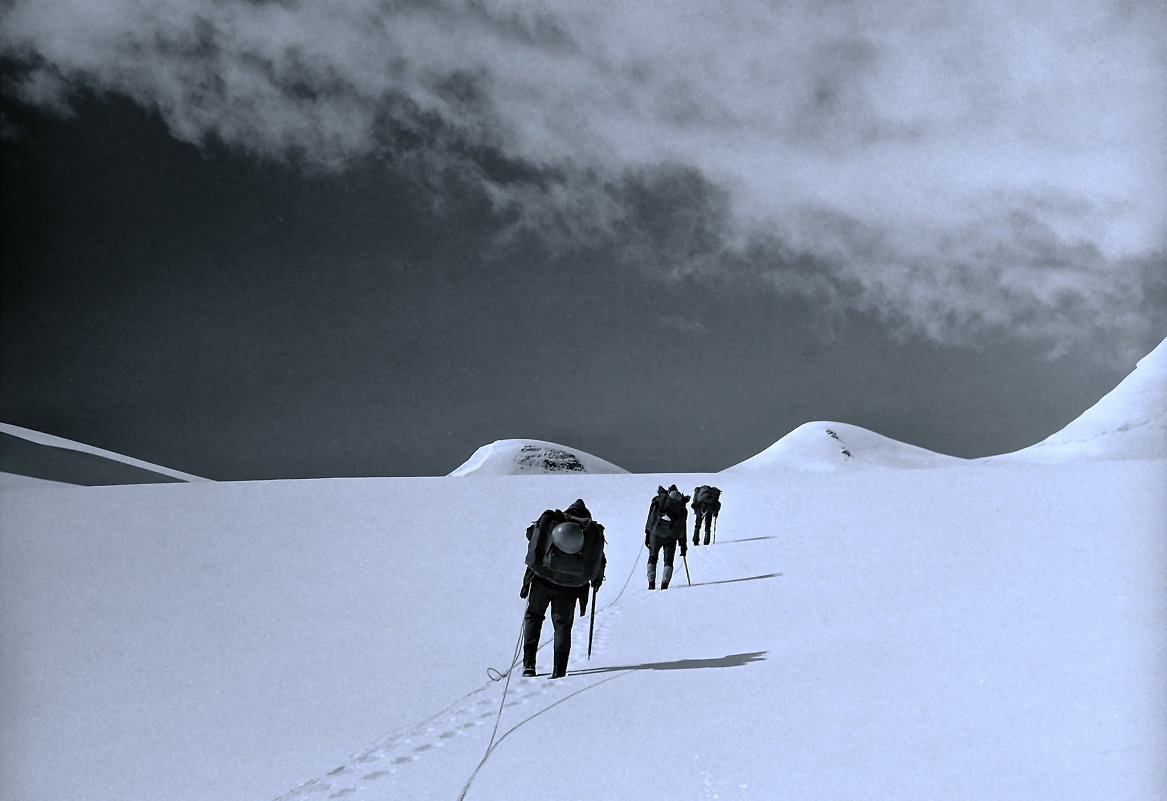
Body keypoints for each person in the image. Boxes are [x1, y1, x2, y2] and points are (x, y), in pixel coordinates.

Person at [520, 498, 606, 678]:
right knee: (563, 626)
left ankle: (528, 665)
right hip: (570, 587)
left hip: (542, 580)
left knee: (534, 618)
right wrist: (596, 582)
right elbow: (597, 560)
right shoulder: (590, 533)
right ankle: (559, 669)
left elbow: (531, 534)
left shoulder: (554, 522)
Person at [644, 484, 688, 590]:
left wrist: (647, 534)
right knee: (668, 560)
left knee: (653, 557)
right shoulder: (681, 506)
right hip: (671, 537)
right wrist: (683, 544)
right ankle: (665, 584)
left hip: (655, 534)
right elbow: (683, 526)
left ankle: (651, 583)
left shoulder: (658, 501)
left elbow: (651, 517)